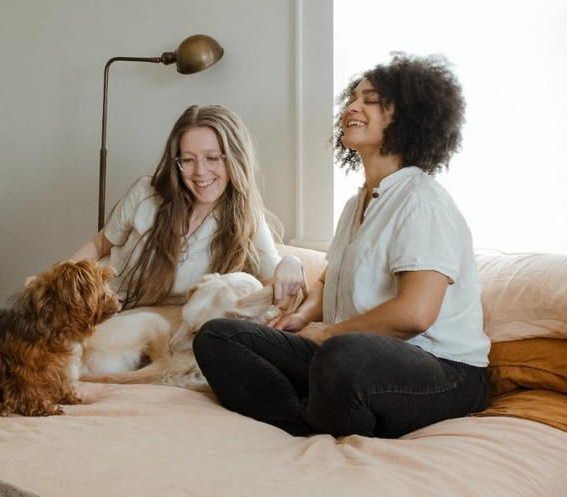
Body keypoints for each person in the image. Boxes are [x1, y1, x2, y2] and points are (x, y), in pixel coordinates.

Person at [193, 54, 490, 438]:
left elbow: (415, 313)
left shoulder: (421, 200)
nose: (352, 107)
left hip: (443, 371)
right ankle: (306, 422)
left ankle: (322, 408)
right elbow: (328, 278)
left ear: (407, 116)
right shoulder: (358, 204)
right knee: (218, 337)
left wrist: (328, 334)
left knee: (342, 355)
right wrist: (300, 320)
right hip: (348, 355)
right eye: (353, 98)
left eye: (369, 100)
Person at [71, 104, 305, 309]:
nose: (200, 172)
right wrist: (53, 279)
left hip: (160, 325)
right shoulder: (145, 194)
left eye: (212, 158)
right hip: (102, 308)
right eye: (188, 160)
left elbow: (275, 281)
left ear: (234, 158)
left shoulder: (245, 218)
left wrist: (292, 263)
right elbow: (100, 244)